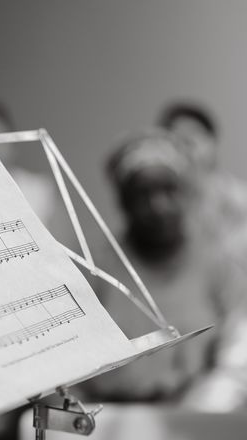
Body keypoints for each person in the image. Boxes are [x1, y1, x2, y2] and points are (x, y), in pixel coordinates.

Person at [83, 130, 247, 402]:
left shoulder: (216, 262)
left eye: (168, 190)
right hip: (112, 416)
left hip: (193, 412)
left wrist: (210, 397)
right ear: (123, 203)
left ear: (184, 195)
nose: (158, 205)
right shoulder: (96, 266)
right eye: (143, 194)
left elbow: (238, 344)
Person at [158, 103, 247, 241]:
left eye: (190, 139)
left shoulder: (241, 200)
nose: (184, 149)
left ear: (212, 142)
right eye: (174, 141)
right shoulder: (161, 207)